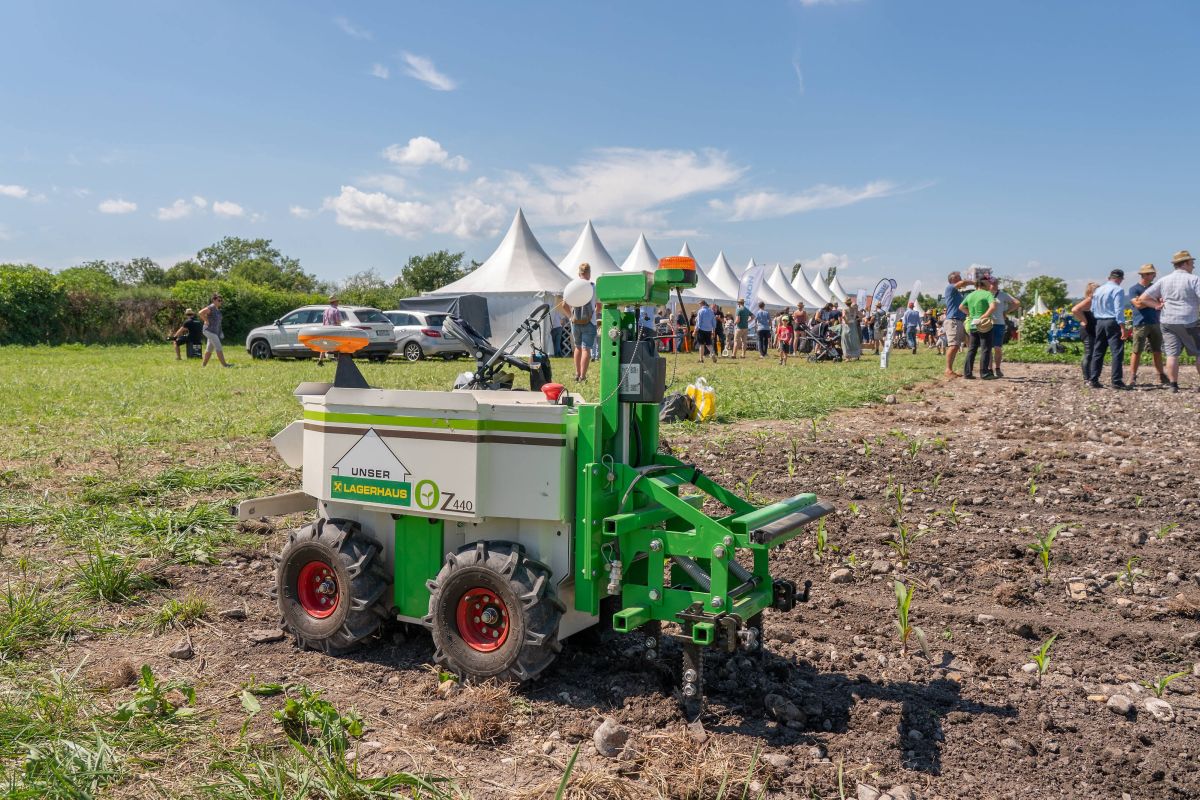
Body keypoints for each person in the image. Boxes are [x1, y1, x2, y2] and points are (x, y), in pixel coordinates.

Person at [1134, 250, 1200, 393]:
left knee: (1172, 354)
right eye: (1192, 263)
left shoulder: (1164, 280)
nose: (1193, 266)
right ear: (1186, 263)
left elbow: (1143, 298)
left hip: (1167, 320)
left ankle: (1173, 385)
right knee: (1198, 352)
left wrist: (1157, 306)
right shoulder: (1194, 279)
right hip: (1189, 320)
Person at [1088, 268, 1131, 389]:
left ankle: (1093, 379)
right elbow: (1119, 310)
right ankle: (1116, 381)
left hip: (1099, 322)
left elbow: (1092, 309)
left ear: (1109, 277)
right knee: (1116, 352)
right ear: (1120, 279)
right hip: (1112, 321)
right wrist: (1122, 327)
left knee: (1098, 351)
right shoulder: (1118, 289)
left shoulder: (1098, 290)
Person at [1128, 264, 1168, 386]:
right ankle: (1132, 377)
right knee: (1137, 351)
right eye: (1151, 273)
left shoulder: (1155, 288)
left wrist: (1143, 300)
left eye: (1153, 273)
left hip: (1155, 322)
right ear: (1144, 275)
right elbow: (1138, 305)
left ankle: (1161, 375)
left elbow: (1161, 302)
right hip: (1140, 323)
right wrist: (1153, 302)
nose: (1154, 275)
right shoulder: (1134, 289)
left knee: (1157, 351)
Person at [564, 262, 596, 381]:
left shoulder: (573, 286)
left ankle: (577, 374)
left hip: (575, 322)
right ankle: (583, 376)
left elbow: (564, 305)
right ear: (589, 273)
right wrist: (594, 315)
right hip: (589, 322)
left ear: (579, 273)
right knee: (586, 348)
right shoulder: (593, 287)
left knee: (577, 347)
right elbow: (598, 305)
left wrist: (570, 317)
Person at [959, 282, 996, 379]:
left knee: (972, 349)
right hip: (984, 325)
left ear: (976, 286)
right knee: (985, 349)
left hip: (973, 324)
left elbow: (961, 307)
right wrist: (984, 316)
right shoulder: (987, 294)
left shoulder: (970, 295)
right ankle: (984, 373)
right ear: (984, 285)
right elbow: (993, 307)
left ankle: (967, 373)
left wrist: (970, 314)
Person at [942, 271, 974, 377]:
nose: (961, 279)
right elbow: (962, 283)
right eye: (958, 278)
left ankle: (968, 369)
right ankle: (948, 370)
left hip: (959, 321)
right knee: (954, 346)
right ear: (953, 280)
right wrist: (974, 282)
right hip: (953, 321)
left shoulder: (957, 293)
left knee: (970, 344)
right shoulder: (950, 288)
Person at [989, 278, 1021, 378]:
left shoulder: (1002, 295)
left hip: (999, 324)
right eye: (992, 283)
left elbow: (1017, 303)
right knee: (988, 348)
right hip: (987, 324)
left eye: (996, 283)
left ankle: (997, 368)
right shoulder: (985, 294)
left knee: (998, 348)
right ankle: (989, 369)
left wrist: (1006, 312)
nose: (994, 285)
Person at [1071, 283, 1100, 385]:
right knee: (1089, 354)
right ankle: (1087, 378)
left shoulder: (1094, 301)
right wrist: (1084, 321)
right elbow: (1075, 310)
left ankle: (1090, 377)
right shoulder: (1090, 300)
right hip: (1088, 329)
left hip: (1092, 329)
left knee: (1091, 354)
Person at [199, 294, 230, 367]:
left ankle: (203, 366)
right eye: (219, 300)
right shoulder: (211, 307)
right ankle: (225, 365)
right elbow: (200, 313)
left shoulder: (217, 309)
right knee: (218, 347)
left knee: (209, 349)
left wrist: (220, 332)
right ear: (213, 300)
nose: (220, 302)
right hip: (209, 330)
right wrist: (206, 320)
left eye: (221, 300)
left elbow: (218, 323)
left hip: (214, 332)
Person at [317, 295, 342, 366]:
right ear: (335, 302)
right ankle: (334, 358)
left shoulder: (325, 311)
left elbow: (324, 322)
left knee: (324, 345)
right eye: (337, 301)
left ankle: (320, 360)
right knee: (337, 345)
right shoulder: (336, 310)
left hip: (325, 329)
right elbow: (338, 321)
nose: (338, 302)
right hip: (334, 330)